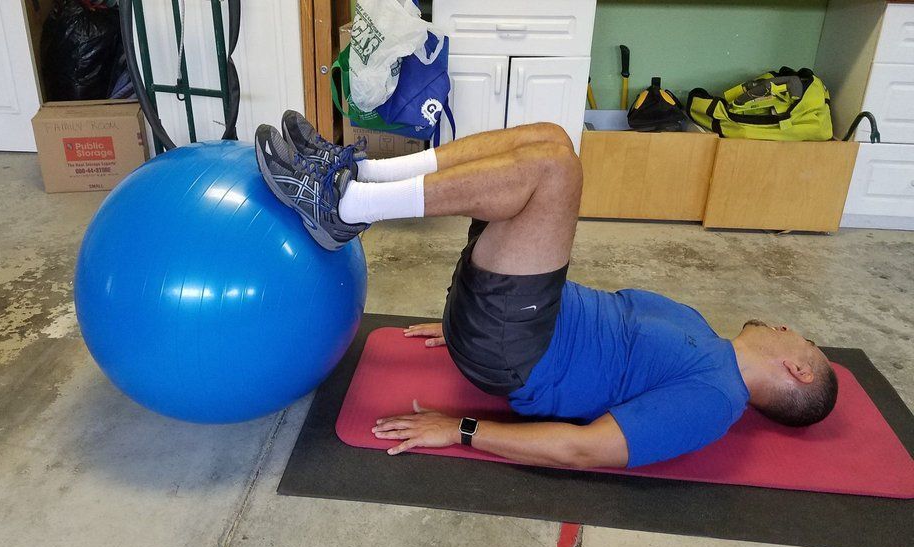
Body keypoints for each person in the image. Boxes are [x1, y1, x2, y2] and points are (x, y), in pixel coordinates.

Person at [255, 111, 838, 469]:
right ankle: (364, 178)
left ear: (798, 371)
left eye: (801, 339)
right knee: (553, 140)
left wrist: (460, 430)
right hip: (515, 321)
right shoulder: (703, 337)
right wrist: (474, 320)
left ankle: (345, 208)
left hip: (518, 346)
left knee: (557, 172)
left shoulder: (715, 401)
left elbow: (586, 450)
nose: (788, 325)